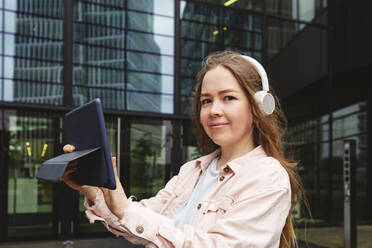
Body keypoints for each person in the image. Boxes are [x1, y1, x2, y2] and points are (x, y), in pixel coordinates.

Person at [62, 50, 304, 247]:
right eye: (206, 101)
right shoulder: (193, 170)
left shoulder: (268, 177)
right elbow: (143, 224)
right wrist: (95, 191)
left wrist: (125, 208)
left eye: (228, 97)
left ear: (259, 106)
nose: (214, 110)